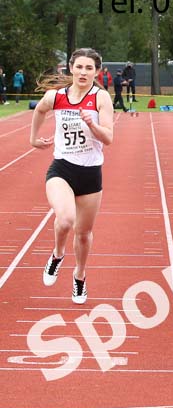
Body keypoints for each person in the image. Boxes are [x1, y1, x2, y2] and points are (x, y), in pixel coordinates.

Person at [30, 48, 114, 304]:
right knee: (65, 220)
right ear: (71, 68)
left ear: (96, 72)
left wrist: (92, 124)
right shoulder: (56, 96)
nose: (83, 72)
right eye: (79, 67)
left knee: (84, 234)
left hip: (90, 174)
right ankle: (57, 255)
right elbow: (40, 110)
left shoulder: (100, 98)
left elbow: (109, 138)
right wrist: (33, 138)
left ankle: (79, 276)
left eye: (89, 68)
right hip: (62, 168)